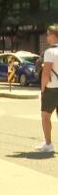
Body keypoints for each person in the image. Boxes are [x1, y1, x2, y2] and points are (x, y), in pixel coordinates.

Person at [36, 24, 58, 153]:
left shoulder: (50, 52)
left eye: (48, 34)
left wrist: (42, 89)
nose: (47, 37)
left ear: (54, 36)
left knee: (45, 116)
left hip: (52, 88)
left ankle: (48, 144)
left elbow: (46, 73)